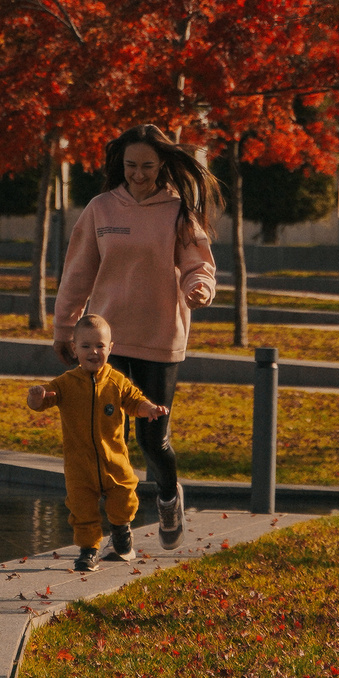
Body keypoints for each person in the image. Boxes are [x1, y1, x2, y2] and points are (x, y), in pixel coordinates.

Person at [53, 124, 219, 549]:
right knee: (109, 437)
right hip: (107, 341)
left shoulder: (179, 211)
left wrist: (198, 287)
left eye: (147, 166)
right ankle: (119, 528)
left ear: (162, 163)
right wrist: (65, 327)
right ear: (119, 164)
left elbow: (199, 264)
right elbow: (77, 273)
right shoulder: (101, 209)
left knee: (152, 437)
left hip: (161, 337)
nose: (138, 174)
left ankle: (167, 497)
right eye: (130, 166)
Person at [28, 314, 169, 572]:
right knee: (82, 510)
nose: (93, 352)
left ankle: (121, 529)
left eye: (100, 346)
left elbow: (134, 400)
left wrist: (148, 409)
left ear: (110, 348)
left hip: (113, 461)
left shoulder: (116, 381)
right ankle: (88, 550)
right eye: (86, 346)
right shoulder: (66, 383)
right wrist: (36, 398)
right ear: (74, 349)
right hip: (79, 465)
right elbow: (43, 401)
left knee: (124, 498)